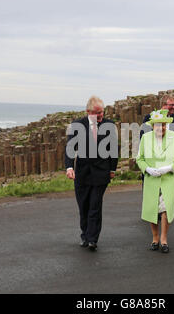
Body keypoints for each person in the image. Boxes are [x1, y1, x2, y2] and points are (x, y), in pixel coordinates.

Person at [65, 96, 118, 251]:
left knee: (95, 205)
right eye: (97, 113)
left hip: (101, 173)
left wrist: (112, 169)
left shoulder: (109, 125)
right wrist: (69, 168)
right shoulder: (77, 125)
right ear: (88, 112)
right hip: (82, 174)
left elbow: (113, 150)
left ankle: (92, 239)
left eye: (102, 112)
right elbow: (69, 148)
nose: (100, 116)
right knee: (84, 207)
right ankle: (85, 235)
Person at [136, 109, 174, 253]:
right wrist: (147, 170)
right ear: (152, 126)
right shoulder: (146, 138)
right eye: (158, 125)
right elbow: (140, 159)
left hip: (168, 179)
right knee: (153, 207)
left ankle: (164, 239)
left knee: (165, 208)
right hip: (152, 178)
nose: (161, 128)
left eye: (163, 125)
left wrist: (170, 168)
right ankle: (155, 238)